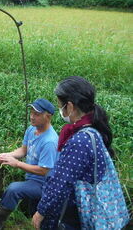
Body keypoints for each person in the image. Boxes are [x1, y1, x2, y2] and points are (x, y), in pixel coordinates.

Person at [32, 76, 115, 229]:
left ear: (69, 107)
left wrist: (41, 211)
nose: (60, 109)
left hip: (71, 214)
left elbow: (61, 183)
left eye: (59, 104)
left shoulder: (79, 141)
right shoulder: (93, 129)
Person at [0, 98, 59, 230]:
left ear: (48, 116)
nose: (32, 117)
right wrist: (8, 155)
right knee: (34, 214)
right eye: (31, 113)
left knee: (13, 189)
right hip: (32, 179)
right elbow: (24, 150)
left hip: (45, 184)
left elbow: (44, 171)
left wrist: (17, 164)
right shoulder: (31, 129)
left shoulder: (50, 141)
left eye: (37, 114)